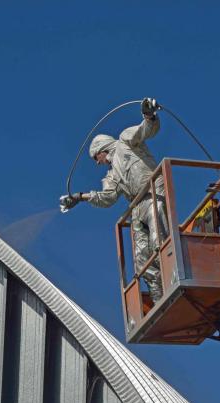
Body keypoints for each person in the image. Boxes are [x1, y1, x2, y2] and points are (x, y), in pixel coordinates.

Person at [60, 98, 168, 303]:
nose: (97, 163)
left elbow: (145, 130)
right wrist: (80, 197)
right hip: (136, 206)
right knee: (141, 260)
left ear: (101, 150)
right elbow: (107, 198)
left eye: (96, 158)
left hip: (154, 193)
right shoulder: (111, 177)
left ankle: (172, 282)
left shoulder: (125, 141)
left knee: (158, 242)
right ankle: (160, 300)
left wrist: (149, 115)